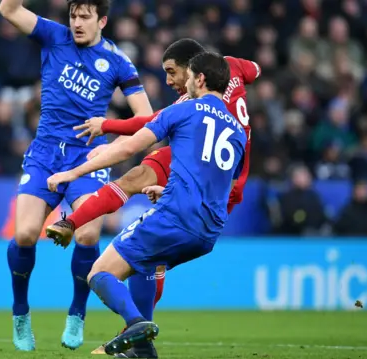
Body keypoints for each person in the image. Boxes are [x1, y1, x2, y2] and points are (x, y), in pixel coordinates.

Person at [45, 39, 261, 356]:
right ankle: (142, 350)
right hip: (208, 232)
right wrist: (170, 191)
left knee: (99, 273)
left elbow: (129, 147)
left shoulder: (184, 109)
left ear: (199, 79)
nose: (180, 84)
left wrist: (73, 173)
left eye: (184, 77)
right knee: (145, 261)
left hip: (177, 218)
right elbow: (215, 180)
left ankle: (136, 324)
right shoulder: (238, 132)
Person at [0, 0, 153, 351]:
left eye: (85, 17)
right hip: (44, 156)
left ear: (103, 20)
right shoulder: (54, 37)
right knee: (24, 234)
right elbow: (8, 10)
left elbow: (147, 119)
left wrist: (111, 136)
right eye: (73, 15)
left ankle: (77, 313)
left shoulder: (118, 61)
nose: (77, 23)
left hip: (87, 160)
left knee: (86, 234)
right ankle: (20, 312)